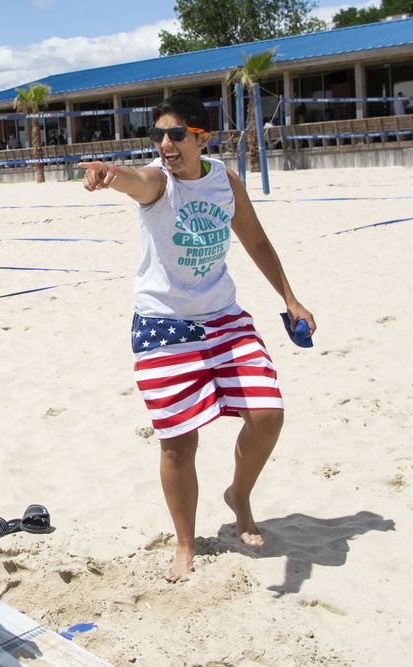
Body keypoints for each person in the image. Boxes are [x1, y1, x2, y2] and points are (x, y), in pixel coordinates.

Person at [79, 95, 315, 583]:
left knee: (268, 415)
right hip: (164, 324)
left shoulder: (224, 180)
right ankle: (185, 543)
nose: (165, 144)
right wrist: (110, 173)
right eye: (157, 135)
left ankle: (239, 496)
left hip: (224, 315)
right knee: (178, 443)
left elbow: (255, 240)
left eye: (176, 134)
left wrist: (290, 298)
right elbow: (136, 181)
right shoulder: (158, 181)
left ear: (202, 138)